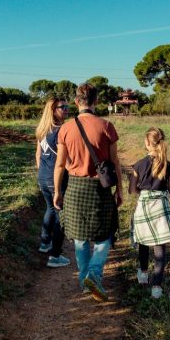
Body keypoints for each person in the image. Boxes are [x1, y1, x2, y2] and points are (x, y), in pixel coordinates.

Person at [54, 83, 123, 302]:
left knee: (80, 239)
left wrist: (57, 191)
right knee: (104, 236)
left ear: (76, 102)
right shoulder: (106, 126)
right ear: (96, 101)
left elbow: (59, 165)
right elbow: (115, 163)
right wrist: (120, 189)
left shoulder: (65, 128)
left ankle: (86, 280)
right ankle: (94, 273)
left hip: (74, 187)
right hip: (100, 188)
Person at [129, 127, 170, 299]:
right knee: (160, 247)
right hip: (160, 206)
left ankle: (143, 275)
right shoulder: (168, 165)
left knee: (143, 241)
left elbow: (132, 190)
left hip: (144, 205)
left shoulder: (138, 165)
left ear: (146, 143)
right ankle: (157, 287)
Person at [35, 96, 71, 268]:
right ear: (52, 111)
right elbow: (65, 160)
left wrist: (43, 171)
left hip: (42, 176)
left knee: (50, 208)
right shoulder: (61, 130)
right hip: (55, 177)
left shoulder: (42, 130)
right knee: (60, 215)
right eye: (62, 107)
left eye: (66, 106)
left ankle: (44, 243)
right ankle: (55, 255)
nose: (66, 109)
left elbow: (38, 155)